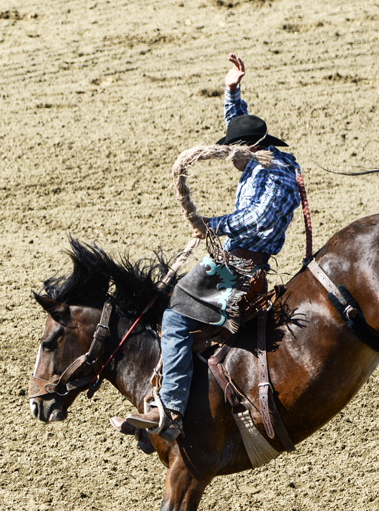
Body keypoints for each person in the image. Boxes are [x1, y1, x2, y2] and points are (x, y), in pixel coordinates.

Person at [125, 53, 303, 442]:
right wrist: (232, 89)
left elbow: (256, 220)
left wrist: (212, 225)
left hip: (239, 265)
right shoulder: (266, 154)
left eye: (231, 151)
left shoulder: (274, 176)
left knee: (173, 317)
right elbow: (239, 126)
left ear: (247, 148)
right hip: (239, 257)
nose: (228, 157)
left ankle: (170, 409)